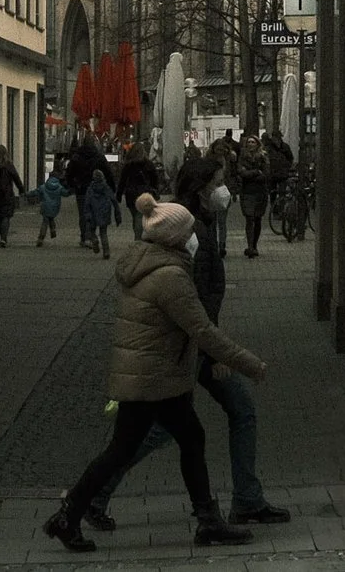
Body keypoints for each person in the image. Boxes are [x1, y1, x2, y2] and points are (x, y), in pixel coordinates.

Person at [43, 195, 267, 552]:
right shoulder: (170, 277)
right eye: (190, 231)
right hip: (153, 376)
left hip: (150, 372)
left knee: (177, 440)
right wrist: (249, 363)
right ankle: (72, 514)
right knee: (141, 446)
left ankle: (72, 515)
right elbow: (202, 330)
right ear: (176, 237)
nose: (195, 237)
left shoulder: (148, 262)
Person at [79, 156, 290, 533]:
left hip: (192, 344)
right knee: (170, 429)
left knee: (195, 425)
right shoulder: (188, 232)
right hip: (189, 347)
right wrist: (219, 356)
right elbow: (193, 304)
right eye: (220, 182)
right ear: (202, 187)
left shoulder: (196, 223)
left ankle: (239, 502)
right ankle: (94, 498)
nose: (225, 190)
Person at [0, 145, 27, 247]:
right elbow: (16, 177)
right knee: (6, 216)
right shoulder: (8, 165)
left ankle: (2, 236)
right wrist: (21, 190)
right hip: (7, 193)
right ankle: (3, 238)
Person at [118, 146, 163, 239]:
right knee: (141, 216)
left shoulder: (128, 165)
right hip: (145, 193)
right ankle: (140, 237)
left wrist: (119, 194)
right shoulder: (148, 164)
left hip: (131, 194)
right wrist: (156, 191)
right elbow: (155, 179)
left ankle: (138, 236)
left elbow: (122, 181)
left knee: (136, 216)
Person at [237, 139, 271, 258]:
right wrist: (257, 172)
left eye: (253, 142)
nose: (251, 144)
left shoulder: (263, 157)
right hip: (247, 192)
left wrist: (250, 174)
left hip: (260, 192)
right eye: (249, 142)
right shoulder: (242, 157)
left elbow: (265, 175)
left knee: (257, 219)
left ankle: (254, 245)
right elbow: (241, 173)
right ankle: (250, 246)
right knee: (249, 218)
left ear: (257, 144)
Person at [83, 164, 118, 257]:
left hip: (93, 212)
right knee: (103, 233)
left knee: (91, 230)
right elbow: (113, 200)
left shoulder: (90, 189)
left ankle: (94, 240)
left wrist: (86, 213)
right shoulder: (106, 188)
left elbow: (87, 202)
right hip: (104, 211)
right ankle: (106, 251)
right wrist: (117, 213)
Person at [35, 166, 68, 247]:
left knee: (45, 222)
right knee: (51, 218)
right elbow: (65, 193)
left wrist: (26, 194)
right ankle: (53, 229)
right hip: (55, 207)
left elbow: (35, 192)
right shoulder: (59, 187)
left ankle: (41, 238)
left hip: (45, 207)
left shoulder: (43, 186)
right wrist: (71, 191)